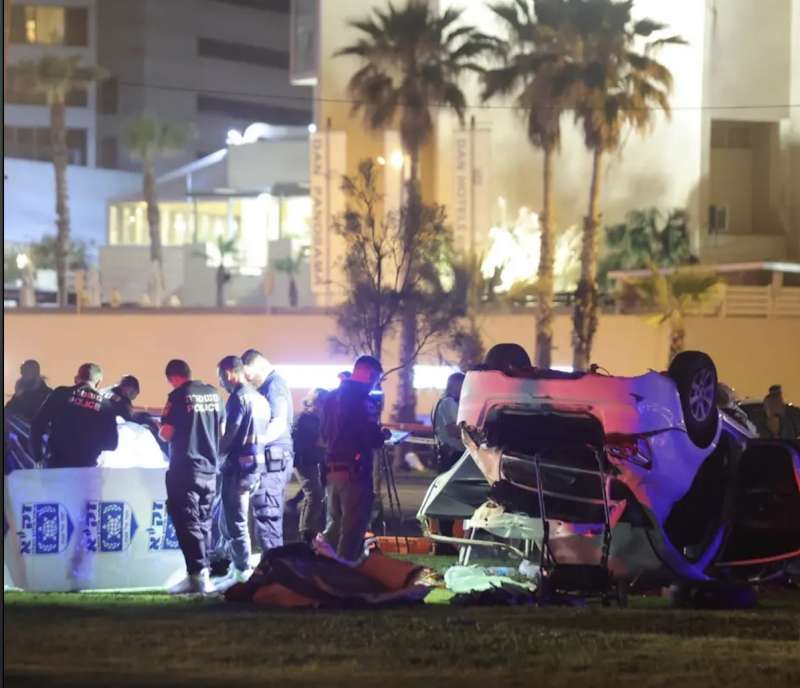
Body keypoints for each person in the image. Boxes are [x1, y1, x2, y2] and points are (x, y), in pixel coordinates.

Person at [159, 359, 224, 595]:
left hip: (185, 467)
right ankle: (203, 573)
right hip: (210, 468)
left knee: (187, 522)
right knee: (204, 521)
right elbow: (222, 429)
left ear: (172, 377)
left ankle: (197, 576)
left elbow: (166, 433)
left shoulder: (177, 396)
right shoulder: (213, 394)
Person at [319, 355, 388, 563]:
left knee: (333, 525)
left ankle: (321, 569)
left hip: (331, 469)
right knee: (352, 528)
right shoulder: (363, 401)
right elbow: (369, 436)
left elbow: (323, 433)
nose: (374, 385)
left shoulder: (330, 397)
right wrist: (382, 435)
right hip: (355, 473)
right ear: (369, 374)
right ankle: (345, 575)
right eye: (376, 379)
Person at [213, 355, 271, 591]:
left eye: (220, 378)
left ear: (229, 373)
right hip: (256, 468)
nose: (221, 383)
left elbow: (230, 435)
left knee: (235, 523)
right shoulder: (260, 399)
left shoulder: (238, 399)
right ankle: (236, 568)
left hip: (238, 469)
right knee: (235, 521)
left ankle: (241, 571)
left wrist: (214, 452)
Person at [241, 349, 295, 551]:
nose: (249, 381)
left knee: (267, 514)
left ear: (258, 366)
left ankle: (276, 571)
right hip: (274, 458)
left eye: (250, 375)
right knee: (266, 515)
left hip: (274, 458)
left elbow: (278, 422)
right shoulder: (271, 385)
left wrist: (257, 442)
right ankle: (274, 568)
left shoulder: (274, 386)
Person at [30, 363, 118, 468]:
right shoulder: (106, 405)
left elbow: (36, 425)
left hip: (56, 466)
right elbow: (112, 444)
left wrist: (38, 457)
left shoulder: (60, 393)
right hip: (86, 471)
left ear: (76, 378)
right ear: (98, 383)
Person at [291, 388, 328, 544]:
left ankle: (308, 530)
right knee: (314, 495)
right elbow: (309, 443)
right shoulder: (306, 419)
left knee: (314, 495)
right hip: (304, 461)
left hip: (312, 460)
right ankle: (306, 532)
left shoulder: (316, 418)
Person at [432, 372, 466, 474]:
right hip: (454, 454)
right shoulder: (449, 402)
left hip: (446, 453)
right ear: (457, 385)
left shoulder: (440, 401)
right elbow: (453, 430)